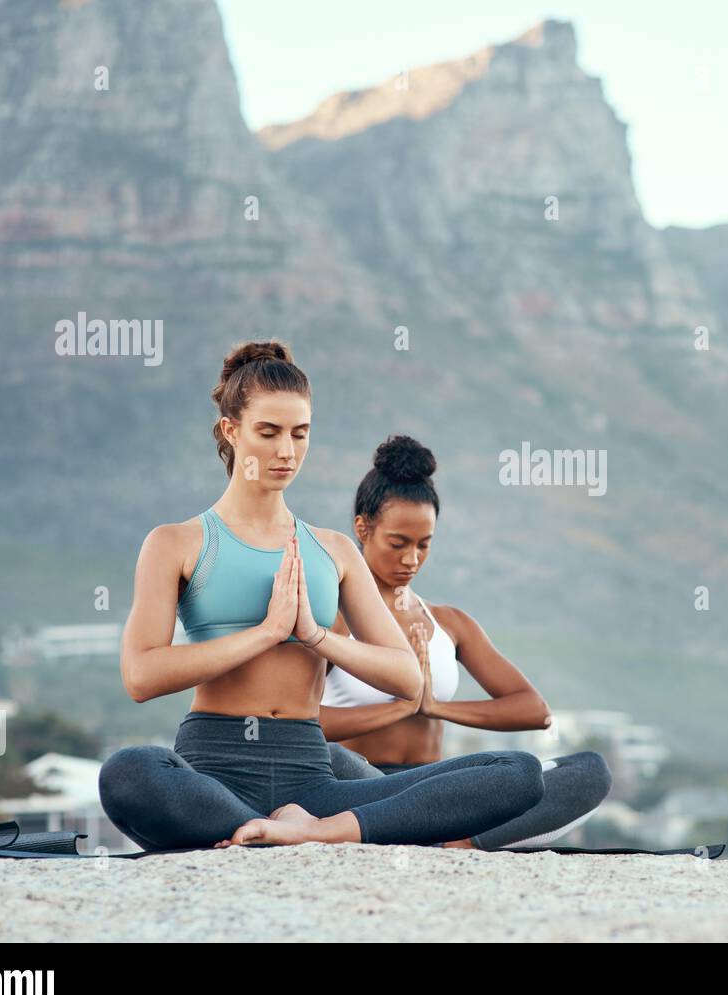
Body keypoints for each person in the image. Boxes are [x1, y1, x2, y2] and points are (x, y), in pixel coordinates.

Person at [98, 341, 545, 851]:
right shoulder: (176, 542)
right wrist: (266, 633)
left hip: (310, 779)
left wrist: (314, 637)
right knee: (128, 771)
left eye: (299, 433)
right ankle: (263, 826)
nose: (286, 451)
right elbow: (141, 676)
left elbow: (404, 676)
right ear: (231, 431)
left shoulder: (334, 551)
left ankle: (310, 832)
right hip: (213, 768)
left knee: (515, 771)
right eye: (268, 433)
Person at [320, 435, 612, 850]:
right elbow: (297, 722)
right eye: (398, 543)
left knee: (587, 770)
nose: (411, 560)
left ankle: (459, 840)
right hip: (360, 785)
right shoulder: (333, 616)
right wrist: (398, 708)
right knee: (330, 759)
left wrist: (436, 708)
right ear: (362, 528)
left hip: (436, 788)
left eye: (424, 545)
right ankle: (431, 833)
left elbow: (533, 710)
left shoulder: (449, 624)